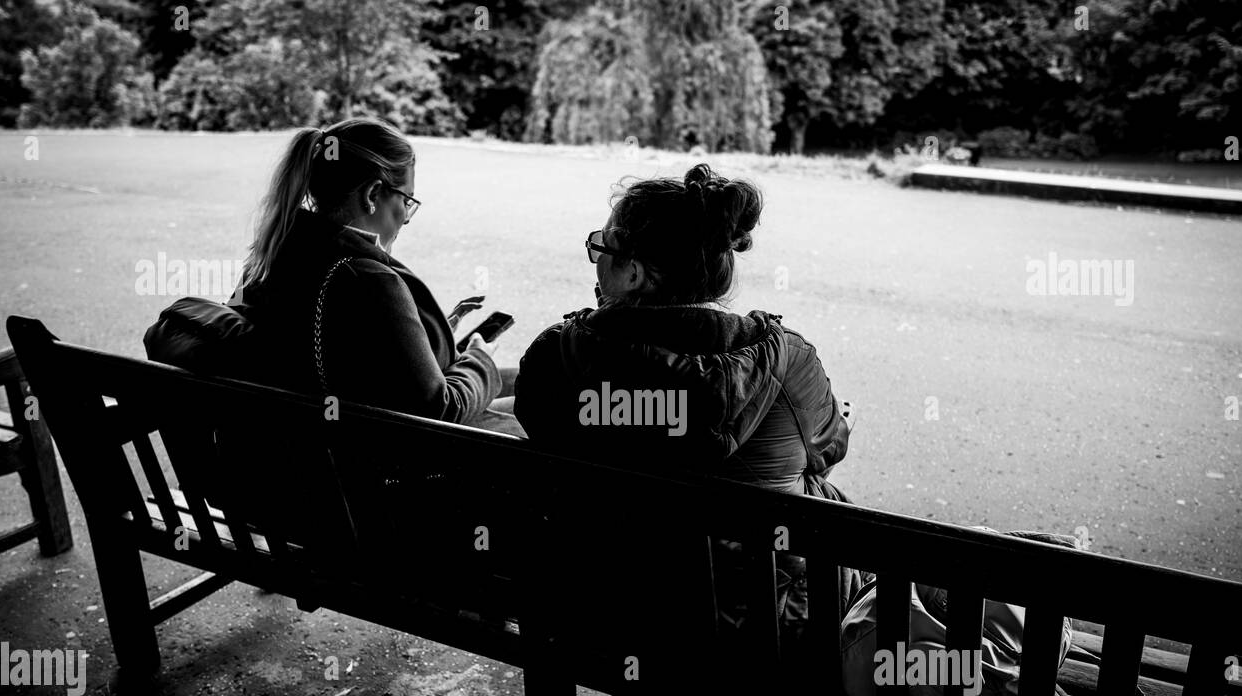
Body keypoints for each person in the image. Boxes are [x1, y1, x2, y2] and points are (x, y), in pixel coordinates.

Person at [514, 163, 865, 656]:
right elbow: (827, 450)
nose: (594, 257)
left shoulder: (556, 359)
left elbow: (550, 432)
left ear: (634, 272)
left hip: (599, 608)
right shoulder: (788, 359)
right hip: (765, 633)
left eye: (602, 248)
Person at [231, 118, 519, 433]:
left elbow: (354, 349)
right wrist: (480, 358)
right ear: (372, 193)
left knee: (528, 383)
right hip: (380, 461)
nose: (407, 218)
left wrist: (428, 334)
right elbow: (439, 408)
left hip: (302, 442)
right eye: (406, 200)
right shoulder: (366, 279)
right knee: (550, 406)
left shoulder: (271, 256)